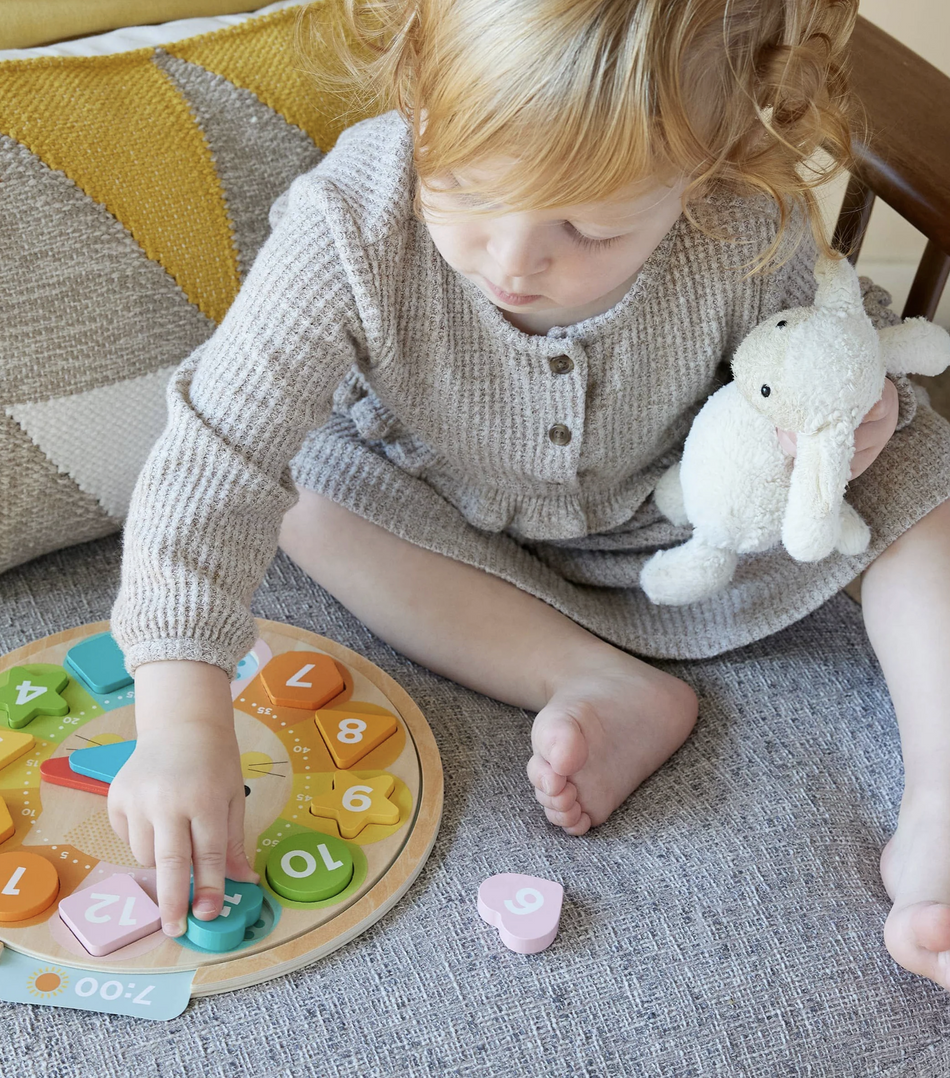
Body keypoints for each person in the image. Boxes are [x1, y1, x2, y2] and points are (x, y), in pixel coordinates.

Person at [109, 0, 950, 989]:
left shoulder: (743, 220)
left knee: (924, 486)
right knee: (304, 497)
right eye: (459, 185)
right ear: (415, 95)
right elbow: (218, 454)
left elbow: (829, 343)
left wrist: (854, 419)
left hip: (677, 515)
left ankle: (940, 804)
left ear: (710, 160)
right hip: (431, 509)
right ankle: (587, 676)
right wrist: (180, 721)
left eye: (589, 227)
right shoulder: (350, 219)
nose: (512, 261)